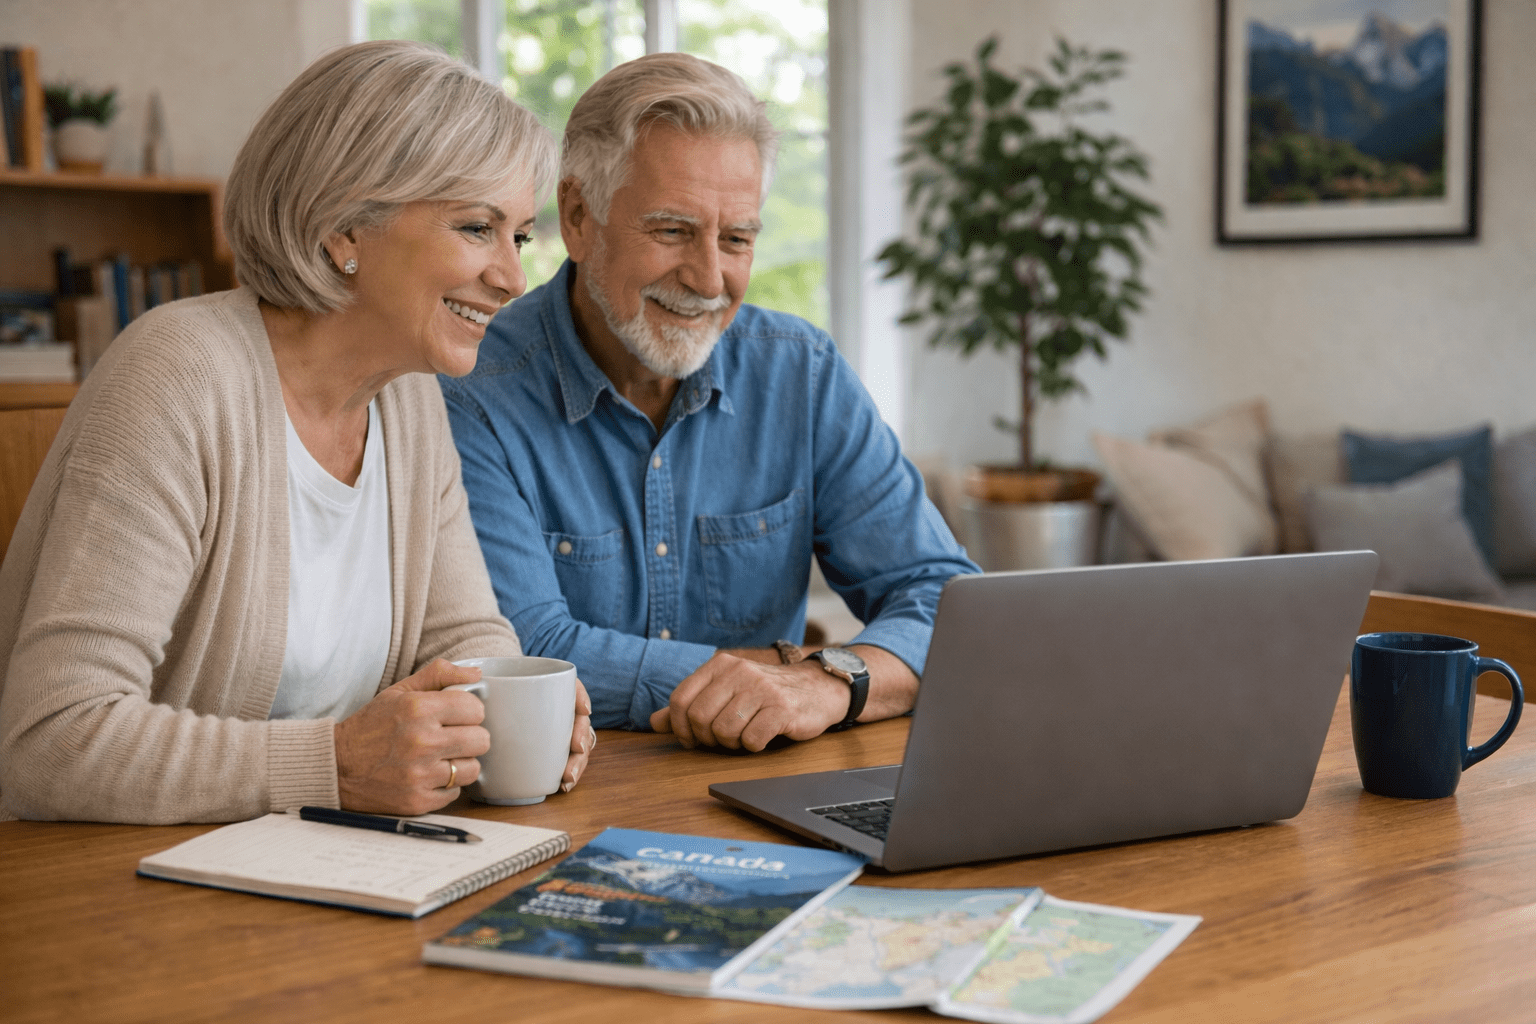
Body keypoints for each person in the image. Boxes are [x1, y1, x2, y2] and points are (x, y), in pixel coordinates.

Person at [0, 41, 593, 824]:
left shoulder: (409, 399)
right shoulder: (179, 374)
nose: (514, 278)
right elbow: (53, 740)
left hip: (304, 870)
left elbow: (462, 639)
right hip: (107, 891)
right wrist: (335, 764)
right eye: (477, 226)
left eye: (517, 236)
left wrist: (510, 713)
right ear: (346, 227)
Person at [441, 53, 979, 753]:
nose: (708, 277)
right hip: (568, 792)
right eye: (671, 231)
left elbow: (942, 596)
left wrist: (827, 683)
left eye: (736, 240)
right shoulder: (470, 391)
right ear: (577, 217)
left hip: (773, 785)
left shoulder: (802, 372)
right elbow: (525, 652)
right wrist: (770, 679)